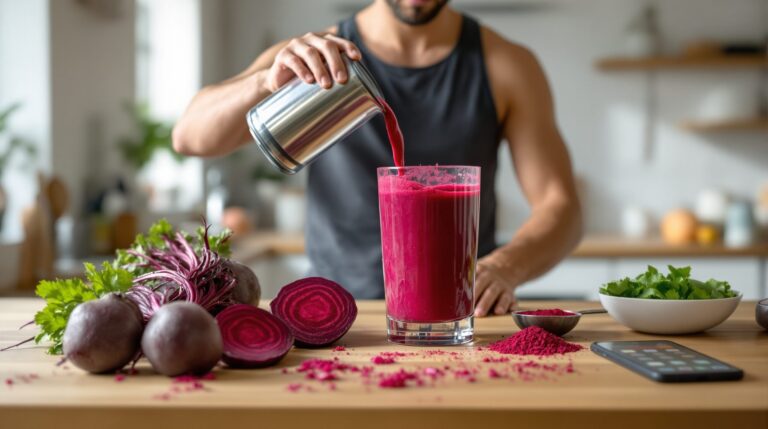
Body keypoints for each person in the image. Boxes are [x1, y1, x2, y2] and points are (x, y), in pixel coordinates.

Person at [173, 0, 582, 317]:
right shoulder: (314, 56)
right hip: (337, 317)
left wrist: (506, 267)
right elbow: (189, 135)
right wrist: (265, 82)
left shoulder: (507, 65)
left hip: (461, 315)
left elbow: (561, 207)